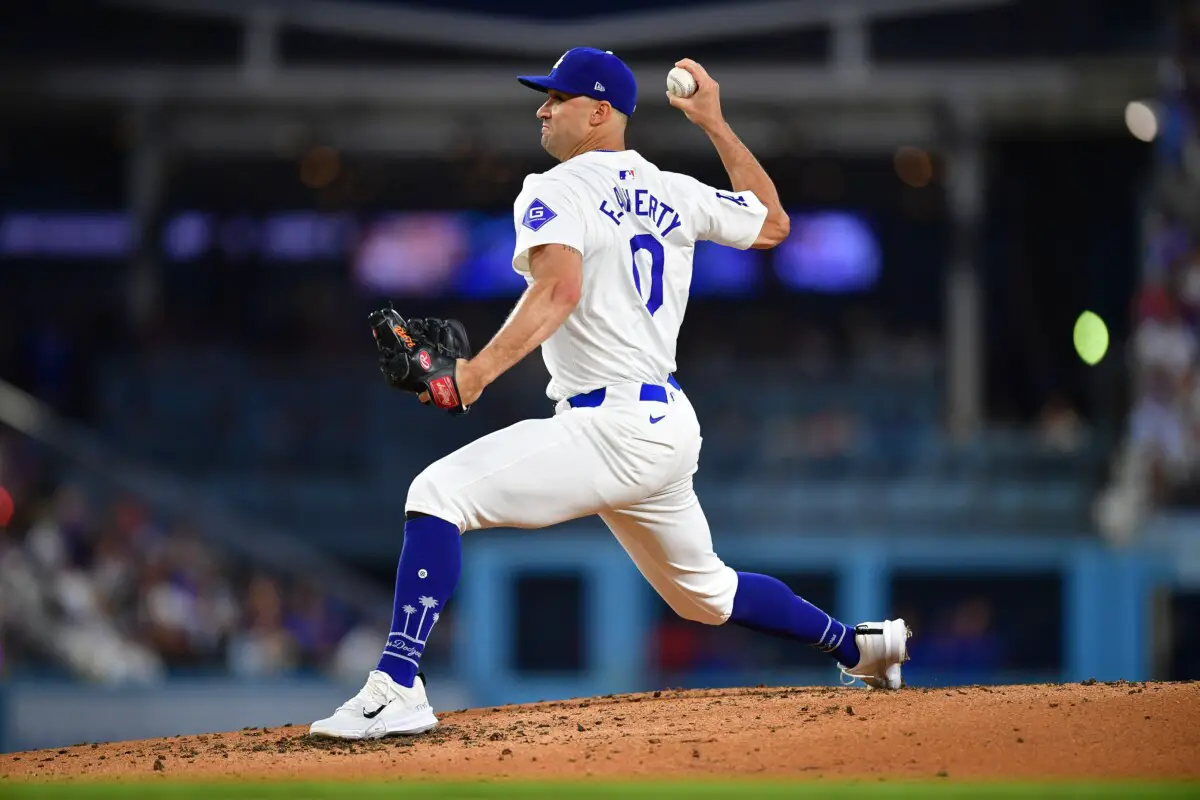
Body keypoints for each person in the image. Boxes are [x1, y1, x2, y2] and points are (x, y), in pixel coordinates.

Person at [310, 48, 910, 740]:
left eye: (556, 98)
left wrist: (472, 374)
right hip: (665, 424)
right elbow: (773, 223)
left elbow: (557, 292)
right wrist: (714, 122)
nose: (542, 108)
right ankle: (861, 646)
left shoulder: (552, 188)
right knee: (706, 596)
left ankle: (396, 684)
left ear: (599, 113)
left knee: (437, 493)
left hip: (610, 426)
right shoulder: (675, 190)